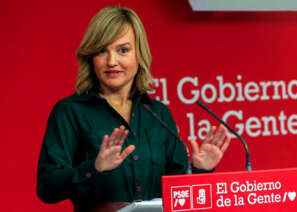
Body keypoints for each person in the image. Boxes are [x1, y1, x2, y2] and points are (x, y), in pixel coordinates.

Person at [36, 5, 231, 210]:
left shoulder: (158, 113)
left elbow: (180, 193)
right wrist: (94, 168)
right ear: (91, 57)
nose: (112, 61)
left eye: (123, 50)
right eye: (102, 51)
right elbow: (47, 188)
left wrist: (200, 170)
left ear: (139, 55)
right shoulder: (70, 111)